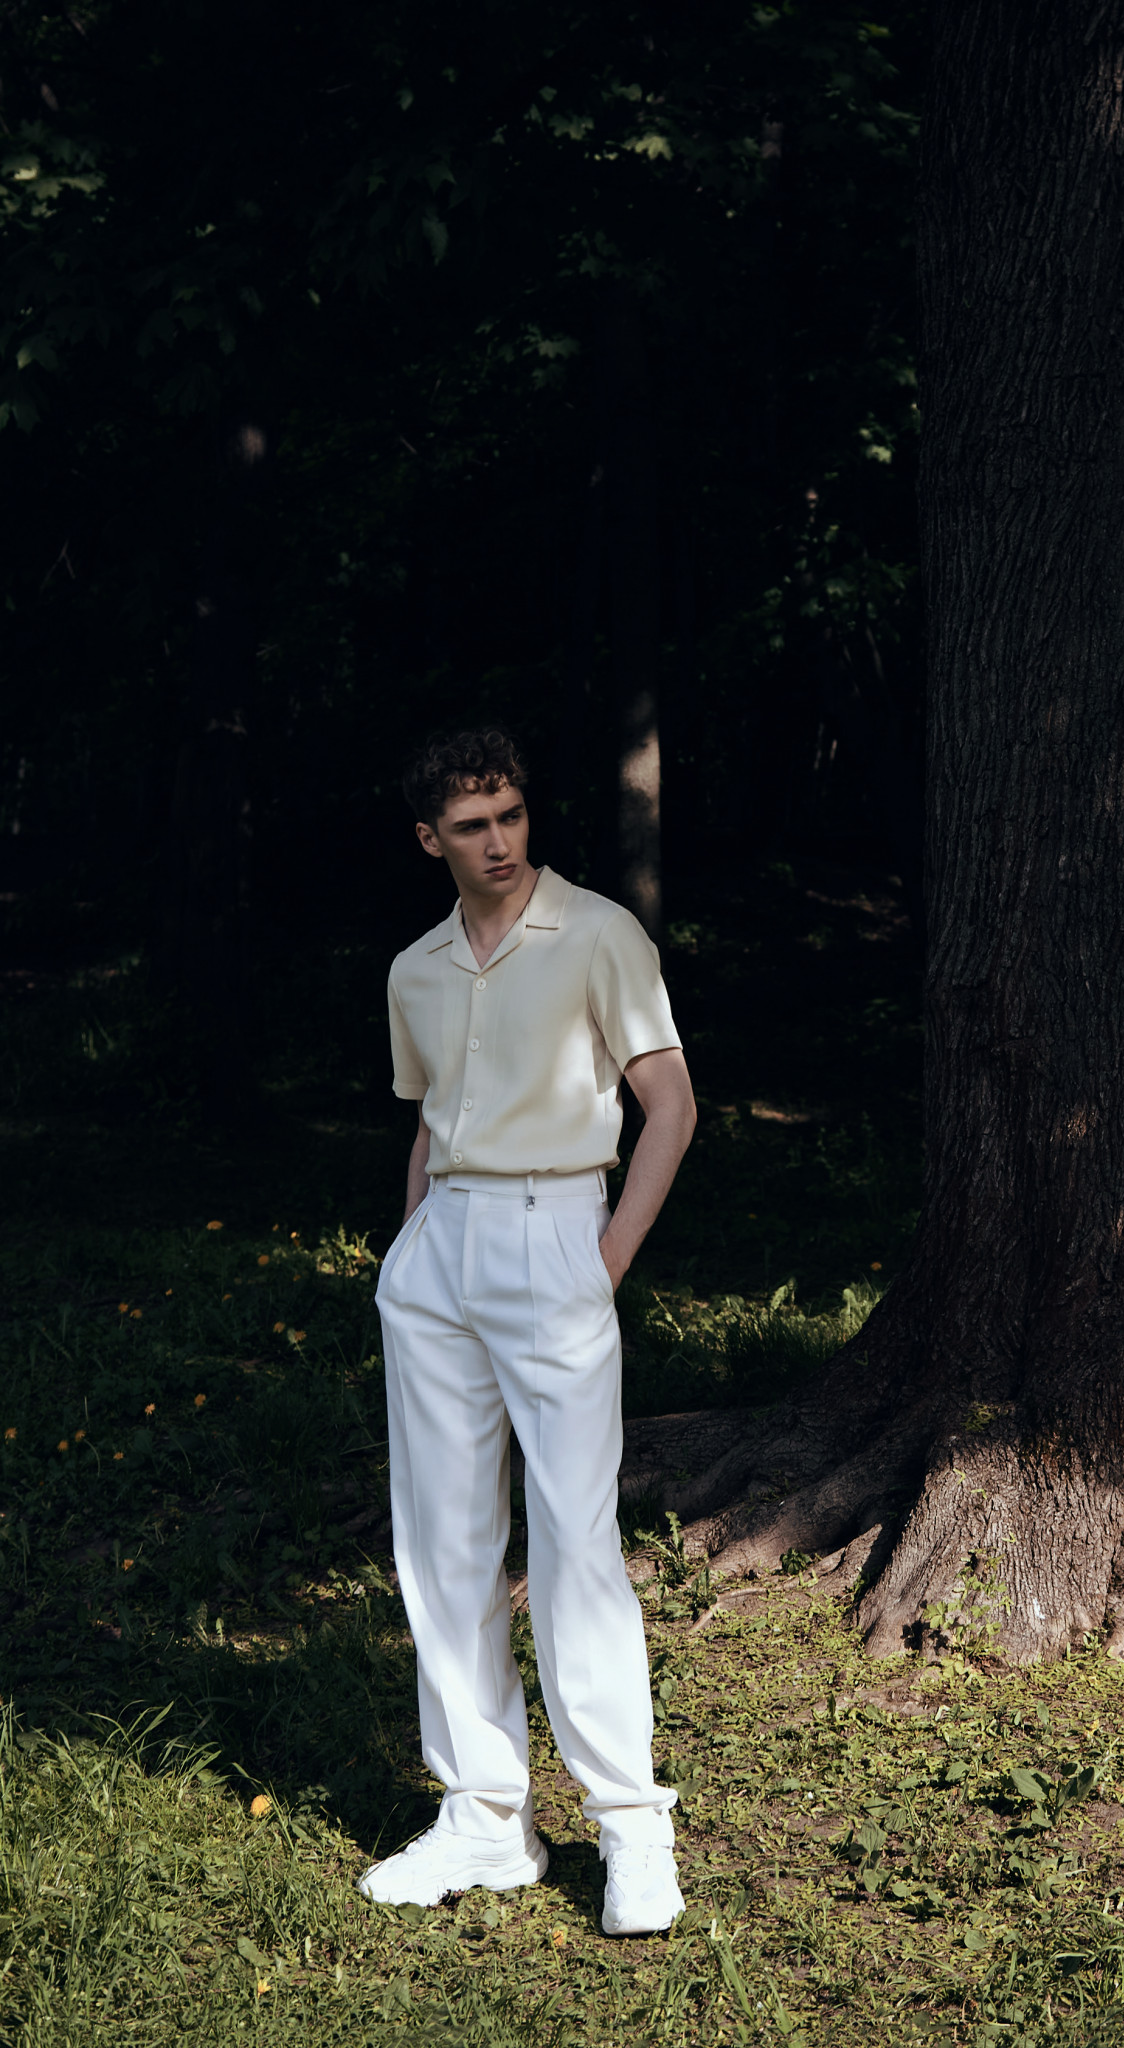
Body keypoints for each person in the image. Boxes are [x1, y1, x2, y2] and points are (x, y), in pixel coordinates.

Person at [359, 728, 696, 1936]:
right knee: (443, 1540)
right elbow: (430, 1123)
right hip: (441, 1252)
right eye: (471, 825)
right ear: (430, 839)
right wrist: (412, 1248)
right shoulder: (416, 968)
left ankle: (632, 1827)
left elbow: (670, 1104)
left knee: (574, 1540)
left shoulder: (599, 933)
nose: (498, 841)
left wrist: (602, 1264)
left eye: (509, 814)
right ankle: (485, 1817)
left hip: (558, 1235)